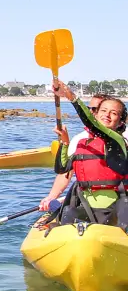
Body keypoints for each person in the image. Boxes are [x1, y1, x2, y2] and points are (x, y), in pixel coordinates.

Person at [39, 80, 128, 228]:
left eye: (114, 113)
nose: (107, 115)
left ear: (120, 122)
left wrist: (70, 95)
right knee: (68, 212)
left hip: (118, 206)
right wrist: (65, 143)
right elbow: (62, 169)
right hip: (88, 206)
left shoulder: (117, 141)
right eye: (103, 111)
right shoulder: (82, 143)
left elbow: (93, 125)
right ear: (96, 114)